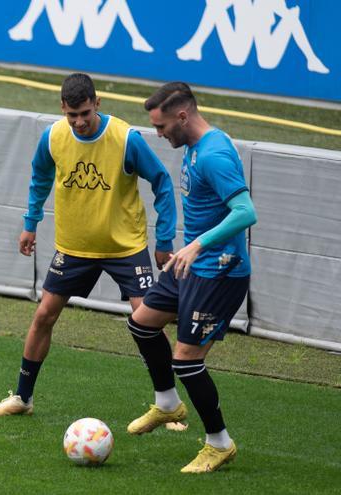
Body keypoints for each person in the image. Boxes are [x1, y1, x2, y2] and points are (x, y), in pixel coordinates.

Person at [0, 73, 176, 418]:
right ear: (62, 109)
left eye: (85, 113)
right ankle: (23, 398)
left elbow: (161, 181)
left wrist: (164, 239)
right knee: (43, 315)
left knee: (147, 322)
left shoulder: (125, 138)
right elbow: (40, 177)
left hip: (124, 247)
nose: (80, 121)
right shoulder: (53, 136)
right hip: (74, 247)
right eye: (72, 115)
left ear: (97, 104)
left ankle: (168, 404)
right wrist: (30, 223)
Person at [127, 82, 256, 473]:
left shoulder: (214, 155)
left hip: (219, 271)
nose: (159, 134)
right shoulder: (199, 144)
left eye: (162, 126)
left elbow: (245, 212)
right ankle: (167, 404)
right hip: (189, 265)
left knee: (186, 361)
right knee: (142, 324)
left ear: (183, 116)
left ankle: (219, 443)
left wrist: (198, 245)